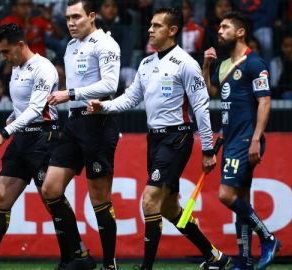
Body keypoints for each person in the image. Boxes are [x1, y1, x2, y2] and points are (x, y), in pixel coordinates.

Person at [88, 7, 231, 270]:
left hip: (177, 138)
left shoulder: (186, 63)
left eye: (156, 25)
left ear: (172, 31)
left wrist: (208, 150)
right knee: (169, 208)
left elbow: (201, 108)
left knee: (149, 200)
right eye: (150, 25)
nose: (150, 29)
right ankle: (215, 257)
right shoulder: (146, 63)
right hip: (154, 140)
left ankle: (146, 267)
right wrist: (104, 106)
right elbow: (131, 98)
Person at [0, 23, 91, 270]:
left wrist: (4, 133)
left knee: (52, 198)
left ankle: (77, 256)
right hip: (21, 138)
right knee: (1, 198)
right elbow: (23, 107)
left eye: (6, 52)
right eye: (0, 53)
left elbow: (37, 109)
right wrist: (12, 120)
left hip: (43, 138)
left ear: (21, 45)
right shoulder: (16, 68)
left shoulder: (44, 68)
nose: (3, 58)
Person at [44, 1, 121, 269]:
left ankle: (110, 264)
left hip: (97, 123)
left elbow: (111, 84)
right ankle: (78, 255)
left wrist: (70, 94)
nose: (71, 23)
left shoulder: (106, 44)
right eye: (67, 18)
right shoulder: (71, 46)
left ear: (91, 16)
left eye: (76, 17)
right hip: (73, 123)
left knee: (99, 200)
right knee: (50, 189)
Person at [202, 11, 281, 270]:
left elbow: (265, 101)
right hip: (231, 138)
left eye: (225, 27)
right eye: (219, 26)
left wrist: (256, 139)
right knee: (241, 201)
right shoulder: (225, 64)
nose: (219, 30)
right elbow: (210, 93)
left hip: (246, 139)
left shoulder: (255, 63)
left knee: (225, 195)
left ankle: (268, 239)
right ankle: (245, 260)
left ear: (240, 32)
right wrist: (206, 66)